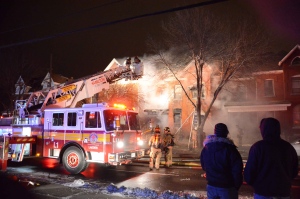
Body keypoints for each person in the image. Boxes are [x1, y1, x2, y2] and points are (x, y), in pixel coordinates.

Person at [244, 117, 298, 199]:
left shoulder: (258, 147)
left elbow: (249, 172)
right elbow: (294, 171)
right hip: (283, 192)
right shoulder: (288, 147)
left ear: (264, 130)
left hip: (263, 193)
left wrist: (256, 184)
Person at [200, 123, 243, 199]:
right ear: (226, 133)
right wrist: (236, 186)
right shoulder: (231, 149)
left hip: (211, 186)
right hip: (227, 187)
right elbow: (237, 170)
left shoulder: (207, 148)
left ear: (215, 132)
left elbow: (204, 166)